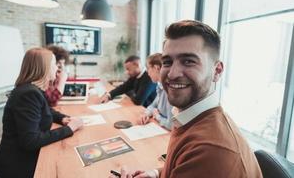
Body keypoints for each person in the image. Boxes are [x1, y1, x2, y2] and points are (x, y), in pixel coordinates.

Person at [110, 20, 262, 178]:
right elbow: (182, 167)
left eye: (189, 61)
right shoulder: (190, 117)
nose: (172, 73)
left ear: (217, 71)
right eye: (167, 62)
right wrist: (154, 173)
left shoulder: (211, 151)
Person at [0, 48, 83, 178]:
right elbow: (31, 141)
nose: (57, 69)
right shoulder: (28, 93)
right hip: (17, 167)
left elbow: (46, 110)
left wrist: (63, 118)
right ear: (44, 68)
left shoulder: (31, 89)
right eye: (54, 64)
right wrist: (70, 129)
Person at [138, 53, 173, 130]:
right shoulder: (160, 86)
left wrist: (157, 116)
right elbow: (153, 106)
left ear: (156, 68)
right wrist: (146, 114)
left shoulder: (171, 90)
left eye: (148, 68)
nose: (147, 73)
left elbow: (171, 125)